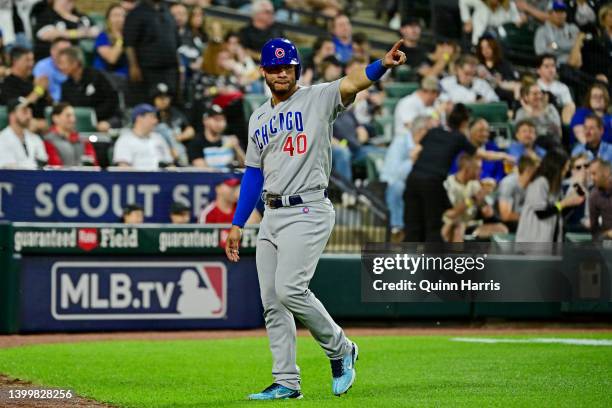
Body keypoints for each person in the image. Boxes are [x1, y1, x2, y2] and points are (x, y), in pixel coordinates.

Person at [225, 37, 408, 400]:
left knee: (290, 289)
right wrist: (237, 222)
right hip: (271, 215)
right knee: (272, 302)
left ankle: (341, 349)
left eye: (288, 67)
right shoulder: (258, 116)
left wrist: (382, 65)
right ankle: (286, 382)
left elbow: (354, 81)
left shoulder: (318, 97)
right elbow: (253, 175)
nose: (281, 73)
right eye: (274, 68)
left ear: (297, 70)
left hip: (308, 208)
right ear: (263, 72)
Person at [403, 103, 512, 242]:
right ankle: (432, 263)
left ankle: (406, 261)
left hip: (413, 179)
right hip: (432, 183)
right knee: (433, 228)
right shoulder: (459, 138)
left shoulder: (434, 131)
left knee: (412, 226)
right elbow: (483, 155)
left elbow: (415, 152)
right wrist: (504, 156)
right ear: (464, 123)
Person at [380, 115, 433, 242]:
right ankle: (397, 229)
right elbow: (395, 174)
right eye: (431, 132)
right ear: (422, 131)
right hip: (392, 185)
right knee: (399, 186)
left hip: (416, 185)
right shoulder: (400, 143)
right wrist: (412, 160)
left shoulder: (427, 145)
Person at [516, 149, 585, 242]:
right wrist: (565, 203)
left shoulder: (555, 186)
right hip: (532, 242)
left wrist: (572, 202)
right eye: (565, 167)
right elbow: (541, 213)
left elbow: (557, 211)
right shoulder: (539, 183)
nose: (566, 171)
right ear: (556, 167)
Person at [123, 0, 180, 106]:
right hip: (148, 70)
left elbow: (175, 42)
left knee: (169, 104)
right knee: (148, 104)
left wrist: (178, 65)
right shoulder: (136, 13)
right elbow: (129, 43)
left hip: (169, 69)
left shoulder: (167, 12)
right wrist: (133, 66)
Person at [441, 153, 508, 242]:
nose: (481, 171)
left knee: (501, 229)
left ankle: (471, 237)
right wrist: (474, 198)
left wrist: (488, 211)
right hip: (451, 226)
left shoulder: (475, 184)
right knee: (458, 228)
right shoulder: (448, 184)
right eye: (478, 168)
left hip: (471, 225)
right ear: (466, 170)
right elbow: (450, 214)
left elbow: (484, 207)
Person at [57, 46, 122, 131]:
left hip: (106, 118)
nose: (60, 67)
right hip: (78, 122)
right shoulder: (65, 86)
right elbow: (65, 107)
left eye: (62, 63)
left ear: (75, 63)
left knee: (105, 126)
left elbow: (112, 101)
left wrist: (94, 116)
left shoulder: (96, 77)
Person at [0, 46, 48, 132]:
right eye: (27, 60)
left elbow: (46, 104)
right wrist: (39, 90)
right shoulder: (7, 83)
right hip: (22, 127)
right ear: (15, 61)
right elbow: (18, 106)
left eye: (32, 60)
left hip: (43, 124)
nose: (31, 64)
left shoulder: (34, 80)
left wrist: (46, 88)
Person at [112, 103, 173, 169]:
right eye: (152, 117)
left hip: (162, 178)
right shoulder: (125, 140)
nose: (156, 121)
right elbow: (124, 169)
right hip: (138, 178)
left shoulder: (159, 138)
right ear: (139, 118)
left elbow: (170, 165)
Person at [33, 0, 99, 60]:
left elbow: (96, 31)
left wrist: (63, 33)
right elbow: (46, 34)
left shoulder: (81, 16)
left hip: (80, 58)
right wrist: (77, 33)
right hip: (50, 58)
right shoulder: (47, 15)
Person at [187, 104, 245, 169]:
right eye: (216, 119)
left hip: (232, 178)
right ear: (205, 121)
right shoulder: (196, 143)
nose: (220, 123)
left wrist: (237, 148)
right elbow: (202, 171)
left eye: (222, 119)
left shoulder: (231, 140)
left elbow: (245, 167)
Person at [152, 82, 194, 166]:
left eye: (166, 98)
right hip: (158, 152)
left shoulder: (176, 113)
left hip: (178, 152)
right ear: (154, 99)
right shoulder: (151, 114)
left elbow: (190, 131)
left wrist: (179, 137)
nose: (163, 101)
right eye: (160, 98)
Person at [44, 102, 98, 167]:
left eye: (73, 116)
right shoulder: (48, 140)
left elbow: (93, 165)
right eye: (68, 116)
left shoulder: (83, 140)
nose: (73, 119)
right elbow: (54, 168)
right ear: (56, 118)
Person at [0, 97, 48, 169]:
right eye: (25, 111)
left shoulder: (35, 138)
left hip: (37, 179)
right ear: (12, 115)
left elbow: (43, 162)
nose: (29, 116)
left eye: (30, 112)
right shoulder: (2, 139)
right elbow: (8, 168)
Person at [497, 155, 539, 231]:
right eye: (537, 170)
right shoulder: (509, 184)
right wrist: (531, 217)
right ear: (528, 170)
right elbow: (505, 216)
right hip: (506, 225)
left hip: (523, 222)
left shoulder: (534, 185)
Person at [514, 81, 562, 146]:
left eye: (540, 93)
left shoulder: (550, 108)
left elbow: (557, 128)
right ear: (526, 97)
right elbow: (519, 132)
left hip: (550, 141)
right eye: (535, 94)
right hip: (529, 142)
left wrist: (541, 114)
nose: (539, 96)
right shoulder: (521, 112)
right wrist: (530, 115)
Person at [534, 1, 581, 66]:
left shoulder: (573, 29)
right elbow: (540, 53)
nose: (560, 15)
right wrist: (569, 47)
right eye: (557, 12)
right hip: (554, 67)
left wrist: (555, 45)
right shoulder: (542, 31)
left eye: (563, 12)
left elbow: (577, 47)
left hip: (573, 66)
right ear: (549, 13)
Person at [475, 35, 520, 104]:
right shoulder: (478, 66)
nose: (485, 51)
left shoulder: (504, 64)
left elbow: (513, 81)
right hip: (485, 96)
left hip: (503, 95)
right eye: (482, 48)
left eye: (488, 47)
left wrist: (501, 81)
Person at [460, 0, 524, 45]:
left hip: (499, 40)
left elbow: (518, 20)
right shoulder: (480, 2)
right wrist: (467, 20)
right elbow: (463, 1)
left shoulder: (508, 5)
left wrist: (521, 20)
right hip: (478, 38)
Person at [536, 54, 576, 124]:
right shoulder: (534, 86)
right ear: (538, 70)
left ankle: (566, 129)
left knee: (571, 105)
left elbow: (569, 106)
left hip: (557, 117)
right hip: (537, 115)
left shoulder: (562, 88)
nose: (551, 70)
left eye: (553, 66)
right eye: (547, 66)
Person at [93, 3, 128, 81]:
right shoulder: (102, 37)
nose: (120, 19)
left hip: (127, 78)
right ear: (108, 19)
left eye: (123, 15)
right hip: (107, 78)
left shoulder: (130, 36)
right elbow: (112, 59)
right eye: (115, 15)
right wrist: (120, 39)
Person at [32, 37, 70, 102]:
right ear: (52, 51)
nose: (65, 55)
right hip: (49, 104)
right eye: (61, 52)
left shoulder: (74, 66)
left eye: (69, 52)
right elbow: (39, 91)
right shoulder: (42, 66)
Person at [589, 159, 612, 241]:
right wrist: (607, 234)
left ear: (606, 172)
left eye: (594, 174)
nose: (591, 178)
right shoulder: (594, 196)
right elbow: (594, 232)